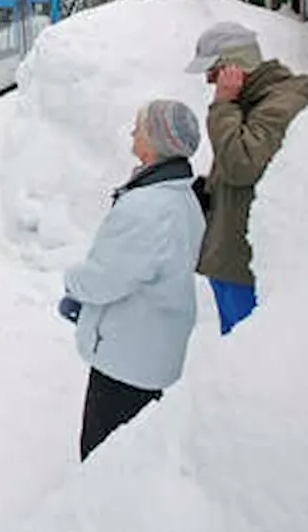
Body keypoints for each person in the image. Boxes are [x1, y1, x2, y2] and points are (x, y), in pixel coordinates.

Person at [57, 99, 206, 461]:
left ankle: (94, 514)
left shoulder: (149, 207)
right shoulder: (178, 195)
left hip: (127, 358)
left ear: (156, 141)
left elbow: (108, 278)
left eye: (139, 127)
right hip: (151, 348)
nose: (132, 132)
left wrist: (71, 282)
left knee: (103, 456)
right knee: (135, 451)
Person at [184, 22, 308, 335]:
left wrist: (223, 104)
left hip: (247, 263)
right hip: (232, 257)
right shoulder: (254, 103)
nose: (208, 81)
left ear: (234, 67)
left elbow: (242, 164)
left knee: (248, 350)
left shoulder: (280, 105)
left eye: (213, 72)